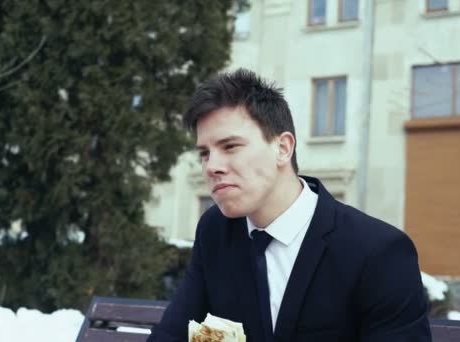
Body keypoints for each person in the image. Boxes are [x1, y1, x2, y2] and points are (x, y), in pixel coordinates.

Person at [148, 69, 431, 342]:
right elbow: (173, 333)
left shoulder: (378, 253)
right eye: (204, 153)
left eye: (230, 146)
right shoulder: (215, 230)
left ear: (283, 148)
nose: (212, 166)